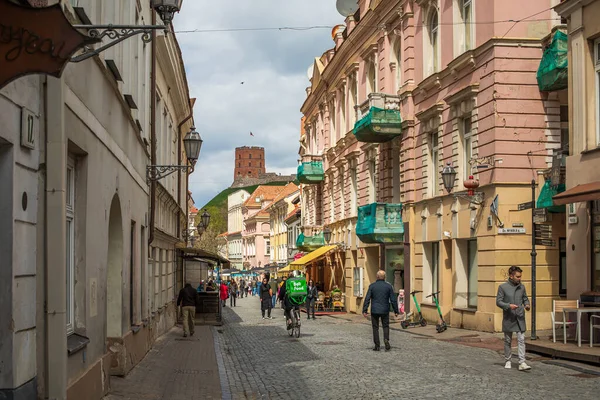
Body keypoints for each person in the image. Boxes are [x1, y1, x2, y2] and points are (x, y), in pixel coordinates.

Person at [496, 266, 531, 371]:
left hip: (519, 317)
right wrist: (508, 305)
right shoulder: (503, 287)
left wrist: (527, 305)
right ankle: (507, 360)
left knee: (521, 339)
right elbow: (498, 301)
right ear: (511, 276)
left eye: (520, 276)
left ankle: (522, 362)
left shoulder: (522, 287)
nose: (519, 278)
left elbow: (525, 298)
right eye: (517, 276)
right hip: (509, 317)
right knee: (507, 340)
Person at [362, 270, 399, 351]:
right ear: (384, 277)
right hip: (385, 310)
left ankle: (377, 345)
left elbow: (367, 298)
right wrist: (396, 311)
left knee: (375, 328)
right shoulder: (388, 286)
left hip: (374, 310)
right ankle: (386, 339)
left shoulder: (372, 286)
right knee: (385, 326)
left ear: (377, 276)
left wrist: (364, 310)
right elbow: (393, 299)